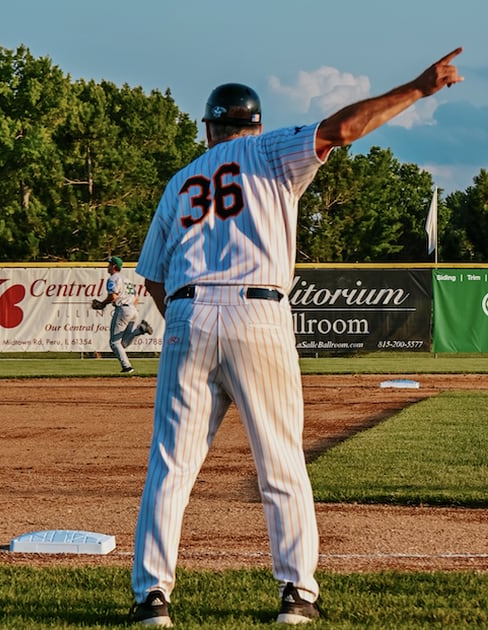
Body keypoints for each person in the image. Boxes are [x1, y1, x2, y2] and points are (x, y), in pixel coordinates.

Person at [129, 49, 464, 626]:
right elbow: (342, 129)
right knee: (281, 462)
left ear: (208, 128)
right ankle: (296, 595)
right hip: (258, 310)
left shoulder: (181, 181)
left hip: (187, 311)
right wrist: (416, 88)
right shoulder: (267, 148)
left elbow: (154, 278)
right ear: (254, 124)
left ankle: (152, 599)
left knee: (171, 466)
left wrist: (189, 318)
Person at [93, 255, 153, 373]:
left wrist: (102, 304)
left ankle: (127, 367)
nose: (108, 266)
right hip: (133, 310)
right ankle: (140, 330)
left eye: (109, 264)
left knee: (114, 343)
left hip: (123, 309)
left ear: (114, 266)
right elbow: (136, 298)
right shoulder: (127, 280)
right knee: (123, 343)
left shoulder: (113, 278)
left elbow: (113, 296)